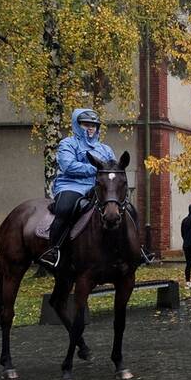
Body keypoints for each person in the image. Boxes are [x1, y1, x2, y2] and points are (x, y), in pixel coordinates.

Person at [39, 109, 117, 269]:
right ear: (77, 125)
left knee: (124, 207)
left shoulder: (106, 149)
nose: (90, 128)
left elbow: (113, 168)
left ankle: (136, 249)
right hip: (71, 185)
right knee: (65, 208)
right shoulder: (67, 144)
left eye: (94, 125)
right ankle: (53, 250)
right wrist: (96, 170)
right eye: (86, 124)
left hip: (97, 187)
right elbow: (68, 166)